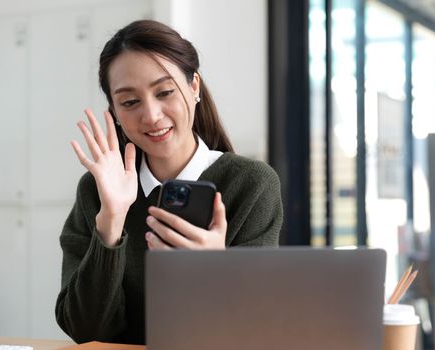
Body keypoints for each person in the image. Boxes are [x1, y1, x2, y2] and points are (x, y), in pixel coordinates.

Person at [55, 19, 283, 345]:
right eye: (130, 102)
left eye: (164, 92)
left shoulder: (251, 184)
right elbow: (85, 331)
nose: (151, 115)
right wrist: (111, 225)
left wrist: (220, 269)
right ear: (115, 113)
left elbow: (259, 329)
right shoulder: (98, 190)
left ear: (194, 88)